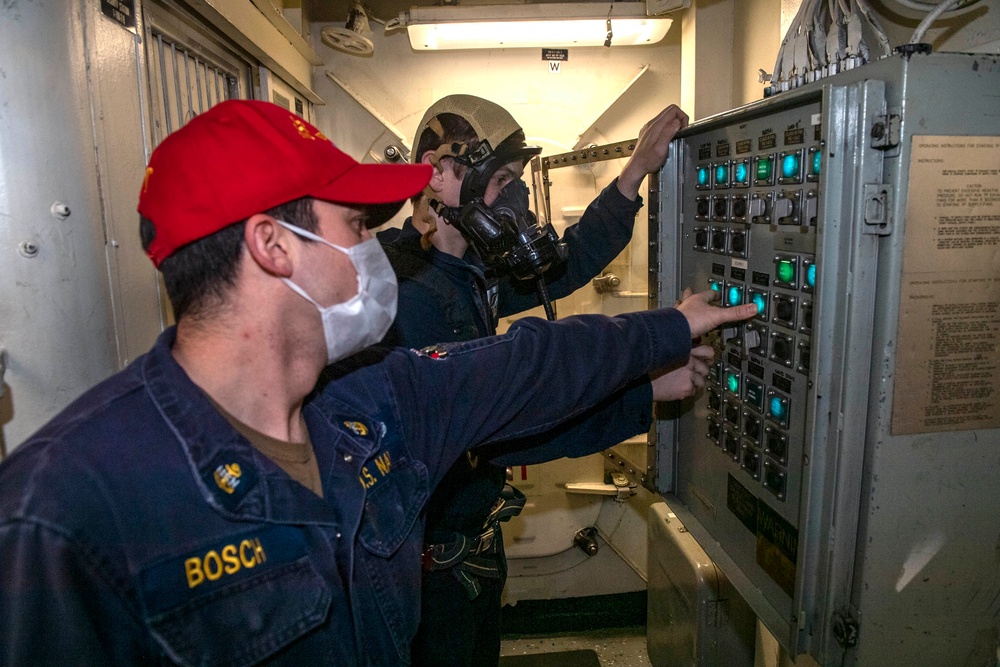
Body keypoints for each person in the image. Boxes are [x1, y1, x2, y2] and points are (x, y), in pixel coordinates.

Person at [0, 100, 755, 666]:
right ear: (273, 246)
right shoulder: (61, 511)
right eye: (357, 226)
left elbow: (525, 367)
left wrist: (662, 332)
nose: (378, 248)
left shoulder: (370, 403)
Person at [380, 94, 698, 666]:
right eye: (501, 178)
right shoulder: (411, 299)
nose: (516, 197)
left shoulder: (469, 273)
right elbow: (508, 430)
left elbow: (566, 264)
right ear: (437, 174)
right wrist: (643, 393)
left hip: (471, 554)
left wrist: (632, 176)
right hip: (431, 574)